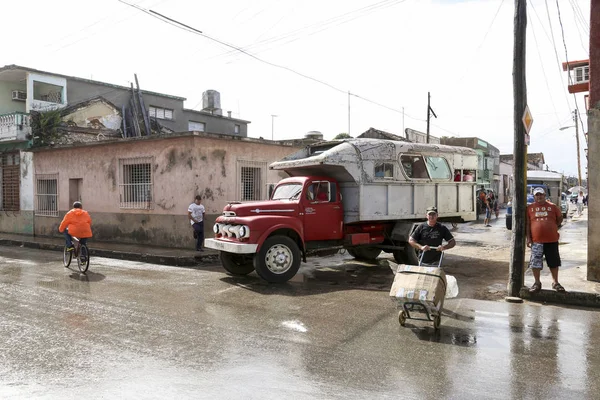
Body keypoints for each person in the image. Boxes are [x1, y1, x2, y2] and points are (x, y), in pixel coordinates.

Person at [527, 187, 565, 293]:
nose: (539, 196)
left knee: (553, 262)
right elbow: (528, 224)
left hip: (552, 240)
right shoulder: (530, 208)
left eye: (541, 194)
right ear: (534, 197)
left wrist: (553, 226)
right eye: (537, 195)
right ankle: (537, 283)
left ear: (545, 195)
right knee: (535, 263)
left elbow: (560, 218)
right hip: (536, 241)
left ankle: (555, 282)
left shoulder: (552, 207)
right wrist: (528, 238)